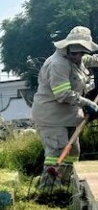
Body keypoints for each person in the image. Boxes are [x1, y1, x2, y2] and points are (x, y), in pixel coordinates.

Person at [32, 26, 98, 188]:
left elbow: (91, 60)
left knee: (72, 153)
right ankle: (49, 190)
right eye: (75, 53)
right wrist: (88, 103)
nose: (78, 57)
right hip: (52, 118)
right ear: (66, 48)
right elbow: (63, 94)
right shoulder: (57, 64)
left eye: (82, 53)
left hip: (69, 117)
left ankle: (65, 186)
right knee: (56, 154)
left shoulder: (78, 59)